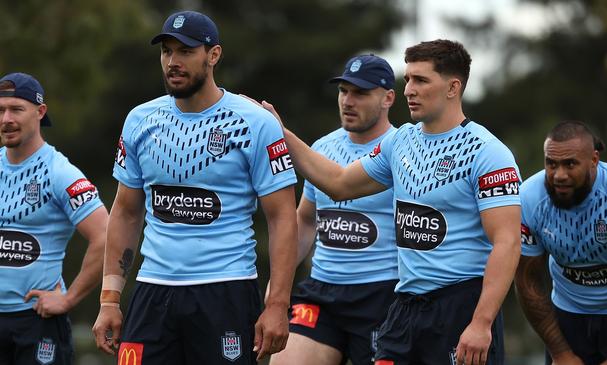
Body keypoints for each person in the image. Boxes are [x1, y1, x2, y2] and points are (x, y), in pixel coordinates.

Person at [262, 40, 521, 365]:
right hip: (405, 307)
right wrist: (280, 131)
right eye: (408, 78)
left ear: (454, 87)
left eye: (421, 80)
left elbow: (508, 242)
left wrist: (482, 323)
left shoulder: (488, 152)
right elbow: (339, 184)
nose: (409, 89)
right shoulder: (401, 141)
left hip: (460, 305)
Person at [91, 10, 298, 364]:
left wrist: (277, 304)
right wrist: (109, 300)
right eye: (166, 51)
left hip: (226, 291)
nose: (173, 62)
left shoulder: (254, 123)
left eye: (185, 52)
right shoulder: (141, 120)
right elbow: (125, 212)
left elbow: (282, 218)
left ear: (213, 55)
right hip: (153, 290)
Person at [269, 54, 399, 365]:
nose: (348, 101)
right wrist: (278, 284)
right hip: (323, 292)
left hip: (382, 295)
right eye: (344, 91)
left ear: (388, 98)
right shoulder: (322, 147)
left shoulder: (401, 149)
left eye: (361, 93)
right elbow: (305, 220)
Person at [515, 120, 607, 365]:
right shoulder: (529, 197)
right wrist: (560, 353)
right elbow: (527, 280)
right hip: (567, 316)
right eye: (551, 164)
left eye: (570, 164)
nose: (559, 175)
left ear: (594, 160)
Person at [0, 72, 108, 365]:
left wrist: (69, 298)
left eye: (16, 109)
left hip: (37, 323)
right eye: (1, 110)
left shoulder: (60, 172)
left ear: (40, 112)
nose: (6, 118)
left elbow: (106, 235)